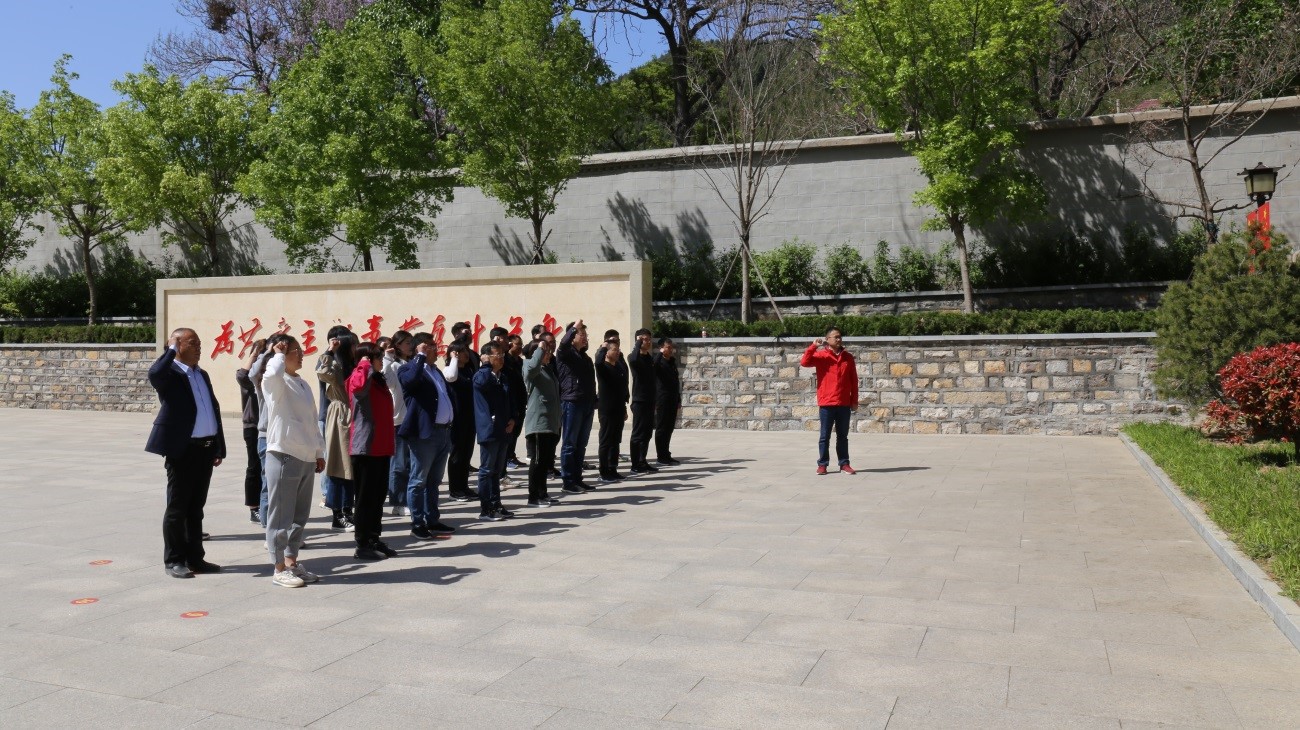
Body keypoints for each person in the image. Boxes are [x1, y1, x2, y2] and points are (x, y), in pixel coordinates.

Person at [146, 328, 226, 579]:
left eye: (199, 343)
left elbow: (212, 410)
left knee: (196, 507)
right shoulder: (169, 374)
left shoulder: (201, 374)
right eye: (192, 343)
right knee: (177, 508)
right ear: (177, 344)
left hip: (205, 449)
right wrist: (170, 349)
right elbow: (154, 373)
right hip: (182, 450)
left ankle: (195, 558)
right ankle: (174, 560)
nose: (198, 347)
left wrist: (218, 446)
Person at [260, 336, 326, 588]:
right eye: (295, 351)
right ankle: (278, 568)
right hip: (284, 454)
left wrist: (318, 451)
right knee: (280, 516)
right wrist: (276, 354)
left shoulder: (302, 383)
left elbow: (312, 420)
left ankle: (291, 562)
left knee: (299, 516)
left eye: (300, 350)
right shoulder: (276, 383)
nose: (300, 355)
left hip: (306, 455)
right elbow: (270, 376)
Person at [398, 332, 458, 540]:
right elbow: (410, 382)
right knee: (418, 480)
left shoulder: (436, 371)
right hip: (425, 434)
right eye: (429, 346)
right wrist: (420, 357)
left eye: (434, 345)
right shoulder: (408, 369)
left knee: (434, 481)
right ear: (419, 348)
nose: (435, 348)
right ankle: (417, 523)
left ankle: (432, 519)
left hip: (443, 432)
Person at [347, 343, 397, 560]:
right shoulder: (358, 377)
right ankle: (363, 543)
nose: (380, 360)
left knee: (377, 497)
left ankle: (374, 538)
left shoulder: (377, 379)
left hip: (381, 447)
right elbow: (358, 388)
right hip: (365, 448)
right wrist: (364, 364)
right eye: (377, 356)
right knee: (365, 498)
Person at [800, 326, 860, 475]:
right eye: (835, 337)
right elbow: (805, 362)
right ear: (827, 339)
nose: (839, 339)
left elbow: (853, 380)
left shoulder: (848, 357)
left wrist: (854, 400)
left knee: (843, 436)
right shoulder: (822, 356)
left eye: (840, 336)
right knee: (824, 436)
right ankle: (822, 464)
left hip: (844, 403)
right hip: (827, 403)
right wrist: (813, 346)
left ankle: (844, 463)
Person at [316, 326, 356, 530]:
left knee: (351, 468)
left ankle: (348, 510)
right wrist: (330, 351)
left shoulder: (354, 366)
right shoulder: (335, 366)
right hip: (340, 417)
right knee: (338, 466)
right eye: (353, 345)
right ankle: (337, 514)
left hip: (354, 416)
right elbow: (322, 371)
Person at [473, 341, 516, 521]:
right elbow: (482, 384)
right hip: (489, 429)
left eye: (502, 355)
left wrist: (513, 418)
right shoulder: (481, 375)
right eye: (497, 355)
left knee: (497, 471)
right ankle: (486, 508)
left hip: (503, 428)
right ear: (487, 357)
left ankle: (496, 503)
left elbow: (509, 400)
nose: (501, 358)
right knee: (487, 470)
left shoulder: (502, 377)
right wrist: (486, 365)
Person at [556, 319, 597, 492]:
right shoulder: (565, 354)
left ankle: (577, 478)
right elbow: (563, 345)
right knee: (570, 444)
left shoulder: (585, 358)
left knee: (581, 444)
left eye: (586, 335)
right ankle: (568, 481)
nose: (585, 338)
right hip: (572, 402)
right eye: (582, 334)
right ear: (572, 336)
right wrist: (574, 328)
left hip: (586, 403)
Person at [521, 334, 561, 506]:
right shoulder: (528, 366)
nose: (549, 354)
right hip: (538, 422)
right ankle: (533, 496)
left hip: (550, 422)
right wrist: (539, 349)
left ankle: (542, 493)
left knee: (545, 462)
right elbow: (531, 369)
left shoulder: (547, 369)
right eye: (546, 352)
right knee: (537, 461)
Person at [235, 339, 268, 523]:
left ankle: (266, 504)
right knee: (254, 466)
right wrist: (255, 353)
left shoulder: (269, 374)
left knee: (268, 468)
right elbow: (241, 376)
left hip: (269, 426)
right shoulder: (251, 378)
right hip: (253, 426)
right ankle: (254, 507)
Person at [382, 331, 413, 517]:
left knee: (410, 464)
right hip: (398, 420)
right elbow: (386, 381)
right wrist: (387, 358)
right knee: (399, 465)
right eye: (406, 342)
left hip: (413, 420)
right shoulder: (393, 365)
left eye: (411, 342)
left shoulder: (411, 364)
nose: (410, 345)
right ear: (398, 345)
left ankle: (408, 499)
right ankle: (398, 503)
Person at [444, 341, 478, 502]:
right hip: (456, 418)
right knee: (457, 454)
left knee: (466, 454)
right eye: (461, 351)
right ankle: (455, 489)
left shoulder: (469, 371)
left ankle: (464, 486)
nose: (466, 353)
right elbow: (451, 377)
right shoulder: (449, 370)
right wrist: (453, 359)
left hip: (470, 417)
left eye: (466, 350)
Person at [594, 337, 629, 483]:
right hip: (607, 410)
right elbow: (597, 362)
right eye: (614, 350)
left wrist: (624, 408)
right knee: (606, 441)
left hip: (618, 409)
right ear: (607, 352)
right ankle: (604, 471)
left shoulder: (619, 367)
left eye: (618, 349)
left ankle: (613, 468)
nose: (617, 352)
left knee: (615, 441)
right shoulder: (603, 368)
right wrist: (603, 347)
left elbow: (622, 389)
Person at [626, 328, 658, 475]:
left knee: (647, 433)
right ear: (638, 340)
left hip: (650, 400)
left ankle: (642, 460)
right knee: (638, 433)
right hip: (639, 400)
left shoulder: (649, 358)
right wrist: (638, 344)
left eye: (649, 339)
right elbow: (633, 360)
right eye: (644, 339)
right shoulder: (634, 357)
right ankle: (635, 464)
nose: (648, 342)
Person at [653, 337, 682, 465]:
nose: (670, 350)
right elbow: (653, 367)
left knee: (669, 428)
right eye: (668, 347)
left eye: (671, 347)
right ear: (661, 348)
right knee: (662, 428)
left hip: (672, 399)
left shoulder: (672, 362)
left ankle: (666, 453)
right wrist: (660, 354)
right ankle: (661, 456)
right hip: (662, 399)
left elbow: (676, 382)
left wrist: (678, 399)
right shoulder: (658, 362)